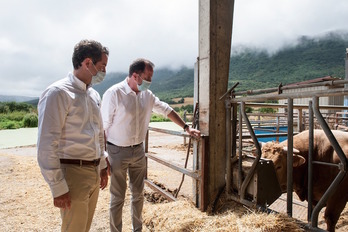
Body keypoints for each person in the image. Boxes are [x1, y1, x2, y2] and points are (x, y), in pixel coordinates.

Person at [101, 58, 201, 232]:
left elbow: (165, 109)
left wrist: (186, 127)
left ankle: (137, 229)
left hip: (138, 151)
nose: (150, 82)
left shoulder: (147, 95)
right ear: (135, 76)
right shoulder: (114, 93)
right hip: (116, 151)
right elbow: (103, 126)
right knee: (117, 196)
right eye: (147, 78)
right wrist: (104, 156)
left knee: (138, 194)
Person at [37, 39, 109, 232]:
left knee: (83, 228)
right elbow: (46, 144)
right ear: (87, 63)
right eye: (102, 66)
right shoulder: (58, 93)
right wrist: (57, 186)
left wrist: (102, 165)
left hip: (92, 171)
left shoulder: (93, 95)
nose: (104, 72)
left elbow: (98, 134)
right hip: (73, 173)